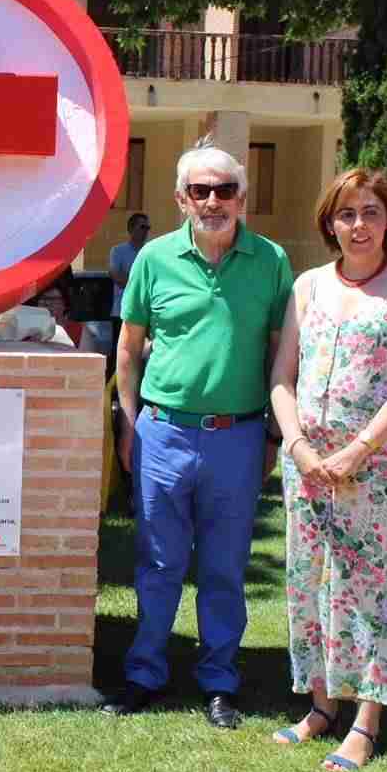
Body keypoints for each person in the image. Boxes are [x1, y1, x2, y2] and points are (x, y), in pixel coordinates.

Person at [103, 138, 293, 729]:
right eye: (200, 190)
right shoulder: (153, 259)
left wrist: (272, 436)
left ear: (242, 198)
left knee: (224, 567)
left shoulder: (271, 261)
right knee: (158, 563)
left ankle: (218, 681)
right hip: (162, 434)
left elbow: (280, 356)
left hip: (238, 437)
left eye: (225, 190)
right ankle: (144, 673)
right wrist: (128, 423)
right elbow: (128, 349)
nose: (214, 201)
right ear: (181, 198)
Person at [269, 169, 387, 772]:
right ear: (330, 223)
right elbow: (282, 376)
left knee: (377, 590)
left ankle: (366, 721)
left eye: (370, 212)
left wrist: (357, 450)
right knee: (310, 582)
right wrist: (297, 446)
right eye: (346, 214)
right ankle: (321, 705)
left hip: (378, 470)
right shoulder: (308, 285)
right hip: (309, 469)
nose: (358, 225)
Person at [109, 212, 150, 356]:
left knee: (143, 354)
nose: (146, 231)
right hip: (121, 311)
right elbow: (117, 277)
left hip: (145, 313)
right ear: (131, 229)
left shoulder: (150, 252)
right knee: (121, 353)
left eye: (147, 228)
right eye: (142, 227)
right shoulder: (118, 251)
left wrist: (132, 279)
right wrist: (143, 282)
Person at [32, 269, 91, 350]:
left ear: (64, 304)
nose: (46, 303)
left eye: (52, 299)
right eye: (42, 299)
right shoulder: (28, 330)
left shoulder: (79, 331)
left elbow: (88, 356)